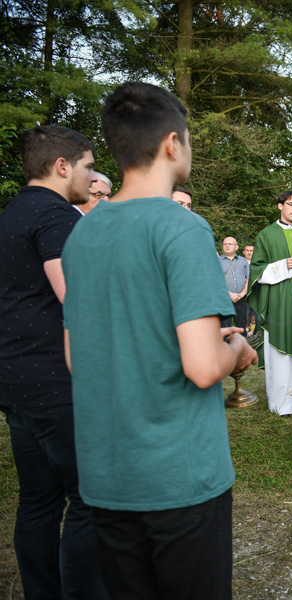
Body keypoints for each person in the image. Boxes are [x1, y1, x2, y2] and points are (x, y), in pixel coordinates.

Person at [62, 81, 257, 598]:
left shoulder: (82, 233)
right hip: (179, 475)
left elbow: (75, 356)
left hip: (107, 474)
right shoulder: (183, 227)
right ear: (173, 143)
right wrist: (236, 350)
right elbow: (200, 365)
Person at [0, 125, 99, 599]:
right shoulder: (58, 216)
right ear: (63, 167)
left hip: (16, 380)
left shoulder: (12, 211)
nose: (92, 175)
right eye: (88, 166)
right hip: (58, 383)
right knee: (89, 500)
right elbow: (78, 301)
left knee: (38, 502)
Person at [248, 190, 292, 415]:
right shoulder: (266, 235)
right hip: (280, 302)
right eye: (290, 204)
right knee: (282, 354)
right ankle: (282, 404)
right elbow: (256, 269)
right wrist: (283, 265)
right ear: (279, 206)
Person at [220, 236, 251, 334]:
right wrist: (230, 294)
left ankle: (241, 347)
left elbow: (248, 278)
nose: (227, 246)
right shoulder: (217, 261)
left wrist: (242, 293)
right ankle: (225, 348)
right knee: (224, 327)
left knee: (241, 326)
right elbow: (216, 280)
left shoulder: (243, 261)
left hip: (241, 299)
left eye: (230, 244)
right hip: (224, 299)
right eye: (225, 244)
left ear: (236, 247)